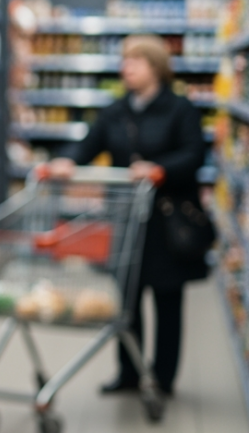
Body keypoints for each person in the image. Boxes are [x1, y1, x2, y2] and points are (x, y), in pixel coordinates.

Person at [48, 34, 209, 397]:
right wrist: (68, 160)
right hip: (126, 220)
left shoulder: (180, 110)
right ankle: (129, 373)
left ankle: (164, 379)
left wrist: (159, 169)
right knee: (127, 300)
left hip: (165, 221)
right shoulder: (115, 111)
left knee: (168, 301)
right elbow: (88, 145)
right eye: (124, 61)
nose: (127, 68)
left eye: (136, 61)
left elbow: (195, 155)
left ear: (156, 68)